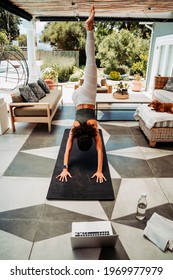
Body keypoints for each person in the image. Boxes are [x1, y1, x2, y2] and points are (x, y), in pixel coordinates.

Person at [56, 5, 106, 184]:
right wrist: (65, 168)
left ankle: (89, 27)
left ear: (90, 140)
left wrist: (99, 171)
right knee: (88, 66)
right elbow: (67, 150)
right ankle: (89, 27)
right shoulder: (74, 128)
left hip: (88, 94)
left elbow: (100, 150)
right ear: (78, 139)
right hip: (75, 98)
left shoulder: (93, 127)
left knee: (90, 59)